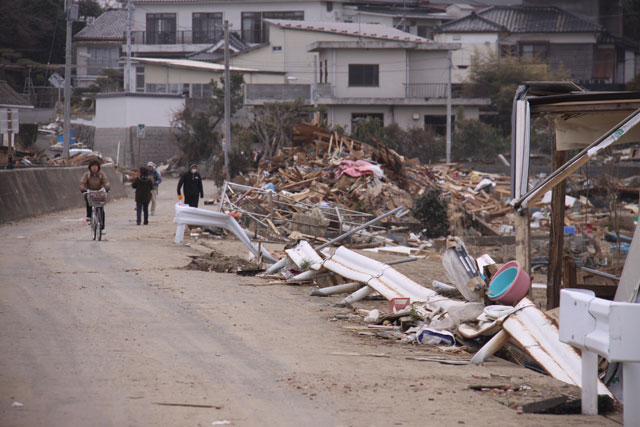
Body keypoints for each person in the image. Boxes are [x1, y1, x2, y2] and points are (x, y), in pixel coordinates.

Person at [80, 159, 111, 232]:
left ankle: (102, 228)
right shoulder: (87, 175)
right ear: (90, 167)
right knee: (88, 201)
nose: (94, 168)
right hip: (90, 192)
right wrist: (83, 189)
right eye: (93, 166)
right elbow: (82, 183)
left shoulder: (101, 174)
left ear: (98, 167)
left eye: (96, 166)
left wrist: (107, 187)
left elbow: (106, 182)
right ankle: (89, 216)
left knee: (101, 210)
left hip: (99, 193)